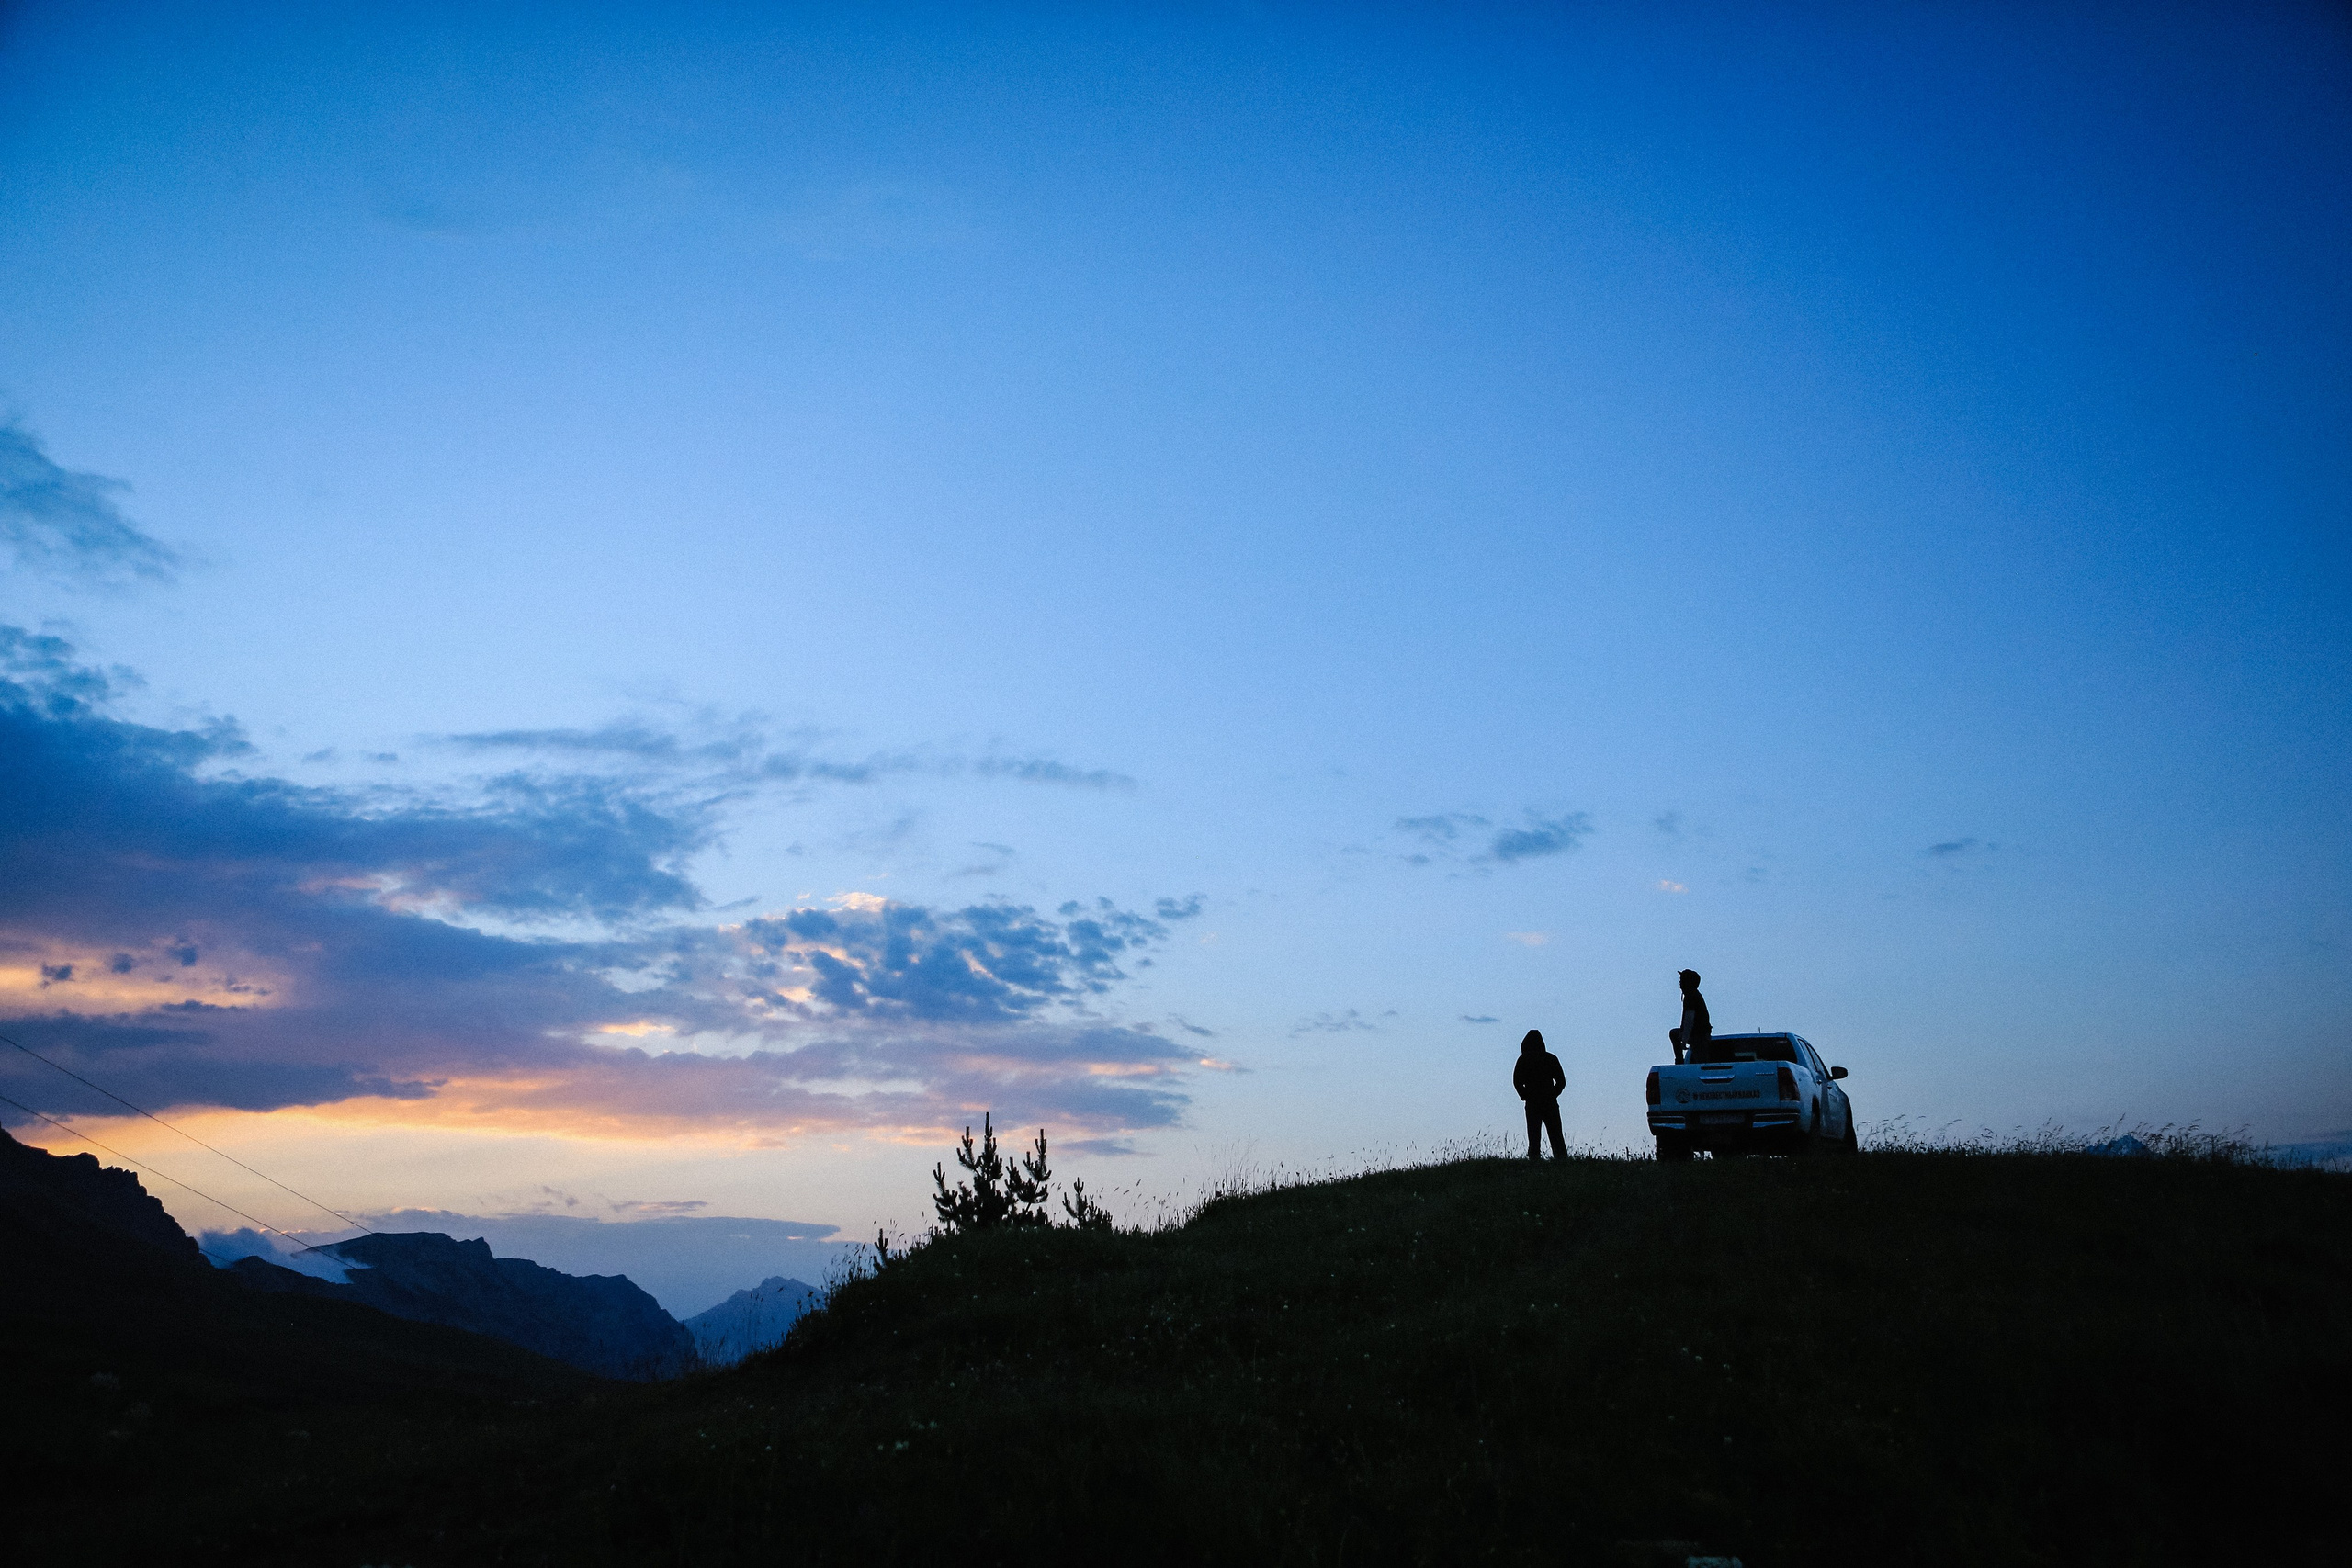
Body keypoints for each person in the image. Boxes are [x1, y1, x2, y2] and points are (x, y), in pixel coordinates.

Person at [1512, 1029, 1567, 1161]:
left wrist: (1524, 1095)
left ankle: (1534, 1161)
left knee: (1534, 1136)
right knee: (1556, 1136)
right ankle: (1562, 1161)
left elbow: (1517, 1081)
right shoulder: (1551, 1058)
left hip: (1533, 1103)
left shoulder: (1523, 1059)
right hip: (1550, 1102)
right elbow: (1561, 1081)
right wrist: (1553, 1094)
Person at [1677, 969, 1712, 1066]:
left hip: (1698, 1034)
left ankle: (1679, 1062)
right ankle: (1679, 1061)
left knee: (1701, 1062)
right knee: (1674, 1034)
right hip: (1697, 1033)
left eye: (1682, 979)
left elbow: (1689, 1018)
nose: (1680, 982)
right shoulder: (1692, 995)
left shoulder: (1691, 996)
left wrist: (1684, 1038)